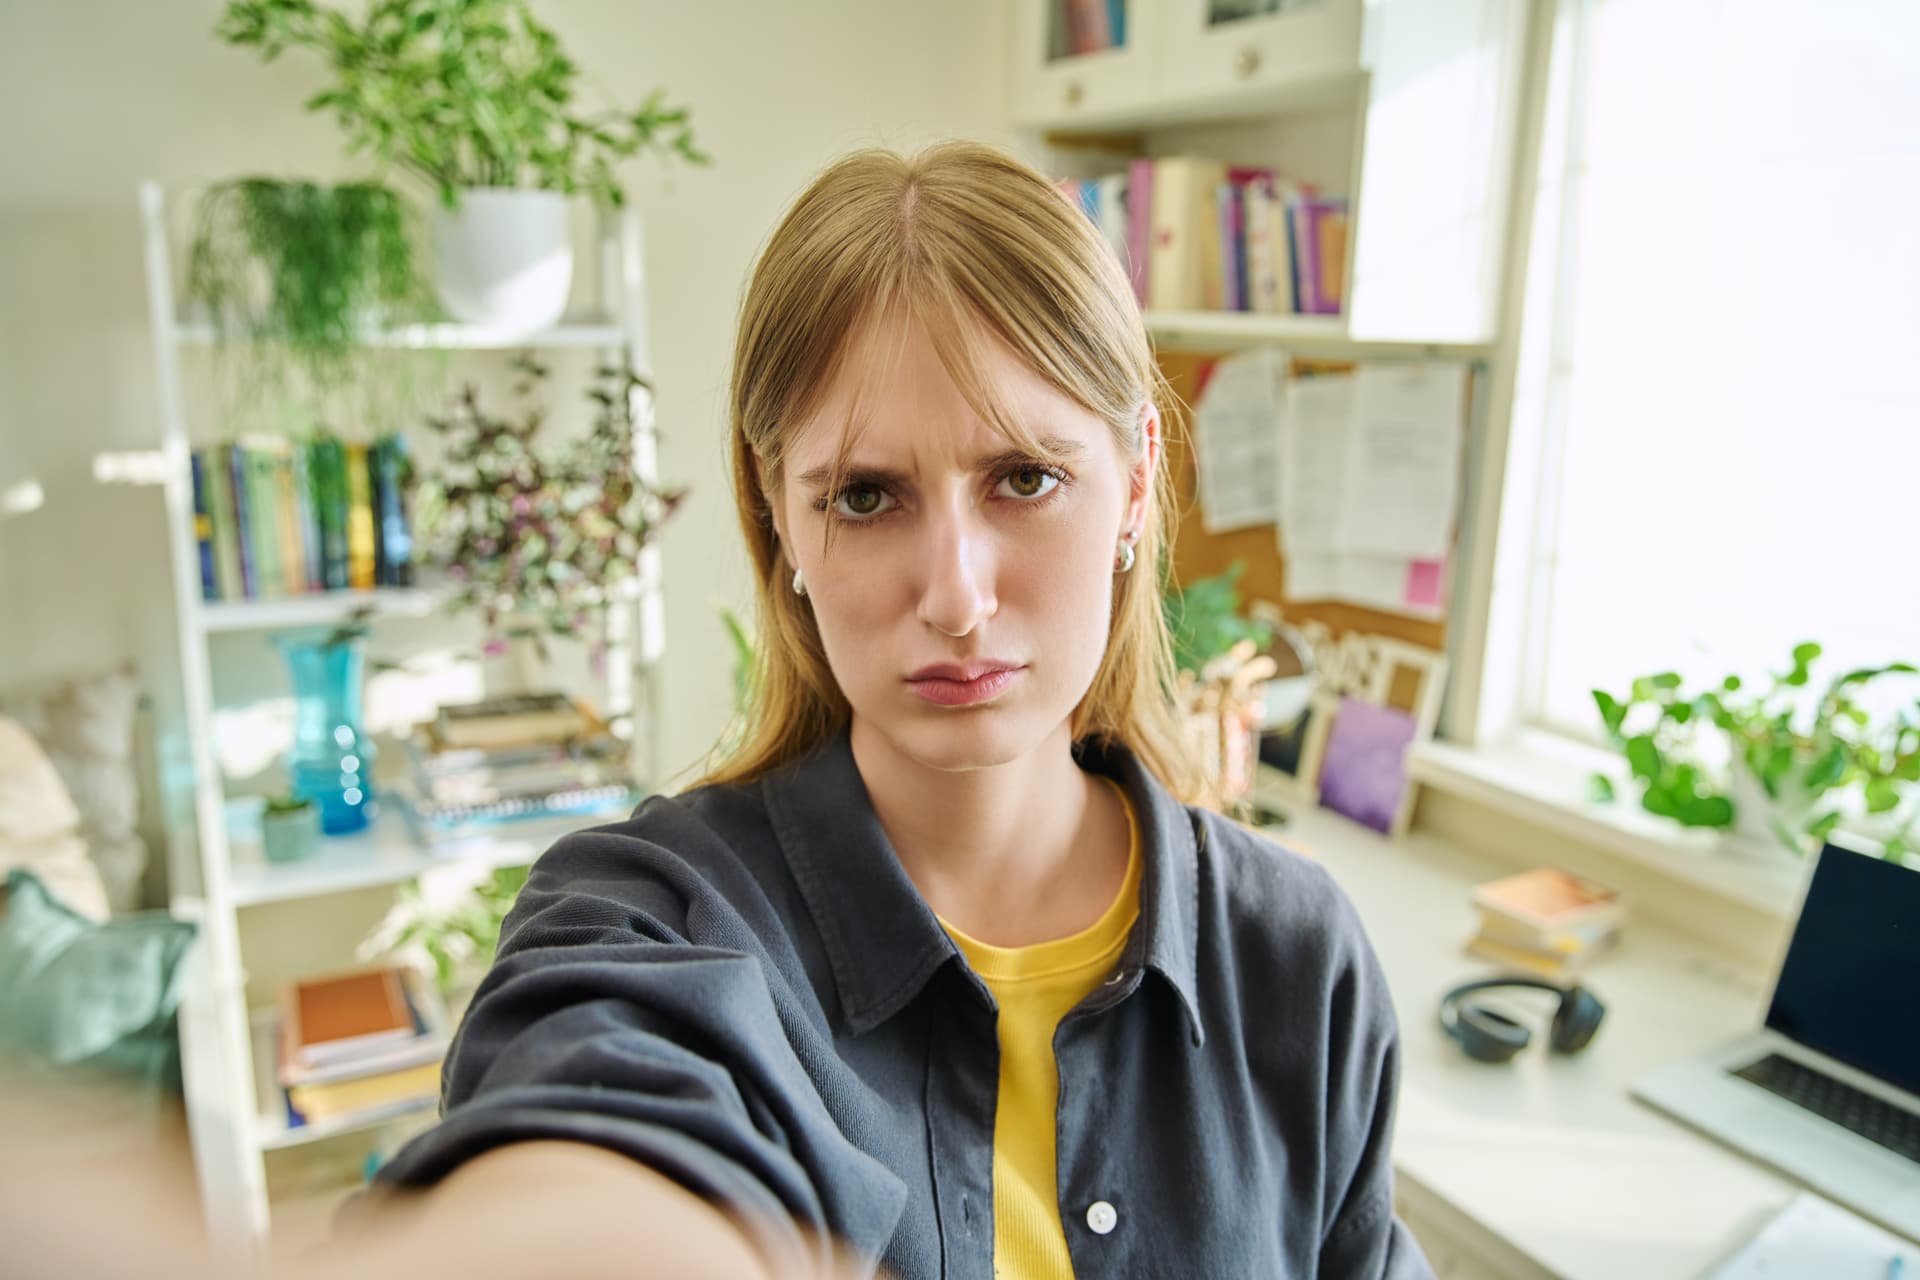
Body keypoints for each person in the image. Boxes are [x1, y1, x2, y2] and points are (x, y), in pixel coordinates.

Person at [0, 139, 1433, 1280]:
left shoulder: (1295, 956)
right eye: (865, 495)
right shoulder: (647, 921)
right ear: (780, 520)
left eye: (1025, 479)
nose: (957, 594)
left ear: (1133, 479)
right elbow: (594, 1152)